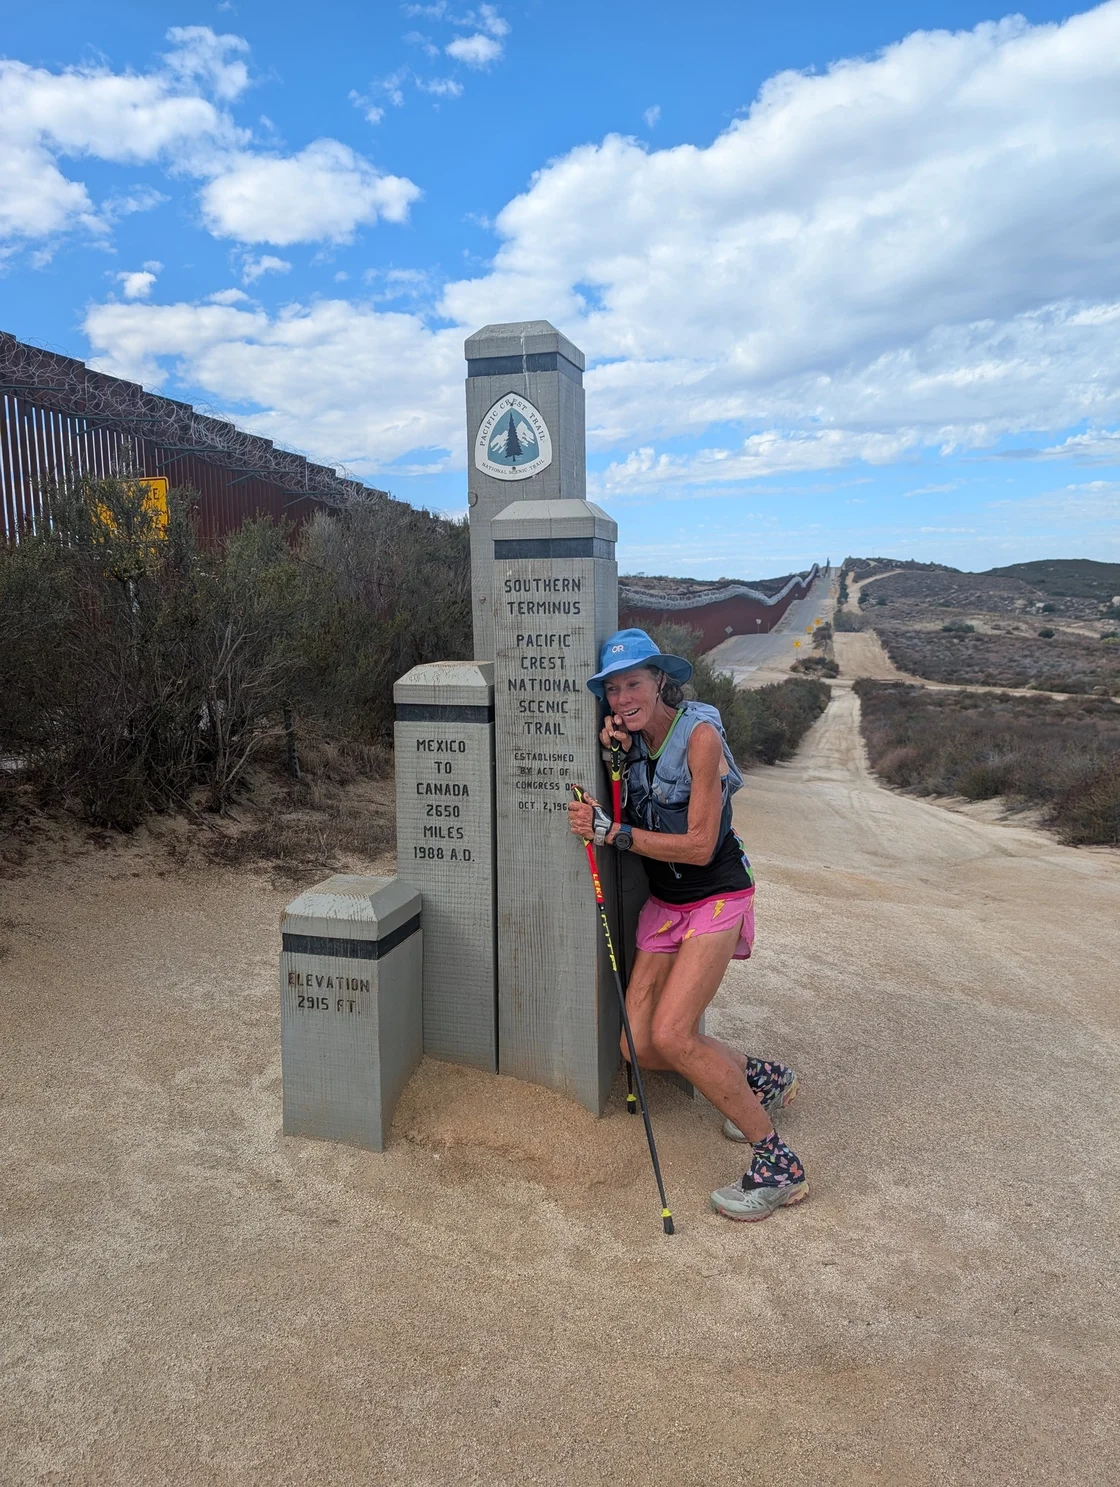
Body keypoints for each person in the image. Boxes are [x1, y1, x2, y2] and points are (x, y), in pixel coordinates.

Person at [567, 628, 808, 1222]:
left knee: (674, 1035)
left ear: (661, 681)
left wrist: (611, 833)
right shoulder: (629, 742)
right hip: (666, 906)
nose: (623, 698)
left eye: (634, 684)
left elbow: (700, 846)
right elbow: (631, 795)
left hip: (715, 895)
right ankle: (763, 1077)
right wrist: (614, 760)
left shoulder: (700, 737)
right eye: (614, 689)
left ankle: (778, 1165)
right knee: (637, 1043)